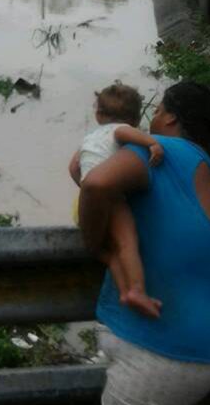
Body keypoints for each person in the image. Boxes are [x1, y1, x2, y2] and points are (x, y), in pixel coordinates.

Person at [73, 81, 210, 405]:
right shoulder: (209, 171)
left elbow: (95, 182)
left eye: (160, 110)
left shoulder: (161, 150)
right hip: (206, 342)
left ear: (172, 120)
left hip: (161, 353)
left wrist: (93, 242)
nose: (154, 117)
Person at [70, 83, 164, 319]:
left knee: (112, 252)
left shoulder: (89, 138)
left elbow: (73, 168)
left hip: (85, 203)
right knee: (127, 242)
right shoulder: (121, 130)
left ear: (98, 114)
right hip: (110, 199)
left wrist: (85, 189)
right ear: (134, 118)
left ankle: (125, 292)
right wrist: (152, 143)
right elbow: (126, 134)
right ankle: (137, 289)